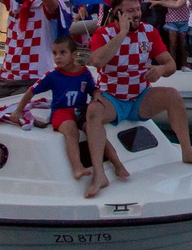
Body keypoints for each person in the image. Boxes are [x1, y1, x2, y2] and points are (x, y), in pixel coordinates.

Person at [84, 0, 192, 197]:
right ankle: (99, 174)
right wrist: (121, 34)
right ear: (117, 13)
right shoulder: (103, 34)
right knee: (93, 113)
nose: (136, 14)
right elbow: (97, 61)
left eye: (138, 9)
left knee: (173, 95)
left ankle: (187, 151)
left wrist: (159, 70)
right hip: (113, 98)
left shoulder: (149, 32)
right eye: (130, 11)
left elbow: (170, 65)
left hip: (140, 96)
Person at [7, 35, 125, 183]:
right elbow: (31, 91)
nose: (58, 57)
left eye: (63, 53)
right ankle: (77, 167)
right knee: (70, 130)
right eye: (55, 53)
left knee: (94, 131)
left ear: (74, 54)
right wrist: (19, 110)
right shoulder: (52, 76)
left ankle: (117, 164)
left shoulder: (84, 72)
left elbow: (93, 89)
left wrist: (96, 95)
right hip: (61, 111)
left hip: (81, 110)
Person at [156, 0, 190, 69]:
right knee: (173, 45)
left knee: (183, 45)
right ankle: (172, 65)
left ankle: (184, 64)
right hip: (172, 21)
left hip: (185, 20)